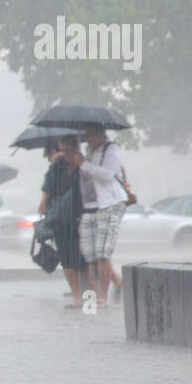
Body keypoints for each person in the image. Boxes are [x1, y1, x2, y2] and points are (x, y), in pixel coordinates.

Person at [78, 125, 129, 307]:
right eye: (86, 136)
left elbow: (108, 175)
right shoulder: (89, 151)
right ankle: (94, 296)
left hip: (111, 203)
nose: (88, 139)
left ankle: (103, 298)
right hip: (92, 207)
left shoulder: (111, 149)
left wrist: (83, 164)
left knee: (102, 252)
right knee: (90, 255)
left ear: (99, 134)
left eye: (90, 135)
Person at [39, 136, 88, 305]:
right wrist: (44, 204)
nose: (65, 154)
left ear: (77, 148)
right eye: (63, 150)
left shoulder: (84, 165)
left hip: (80, 215)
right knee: (66, 258)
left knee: (81, 258)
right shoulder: (57, 166)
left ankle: (89, 299)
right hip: (60, 217)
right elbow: (48, 189)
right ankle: (77, 296)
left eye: (68, 150)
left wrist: (81, 165)